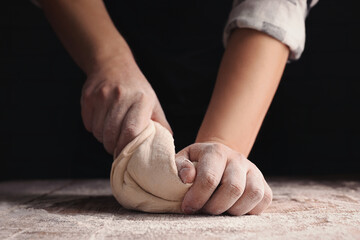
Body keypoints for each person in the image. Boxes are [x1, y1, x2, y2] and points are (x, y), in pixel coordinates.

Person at [34, 0, 318, 215]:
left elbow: (274, 4)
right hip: (109, 115)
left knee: (225, 185)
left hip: (238, 83)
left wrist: (223, 144)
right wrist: (109, 62)